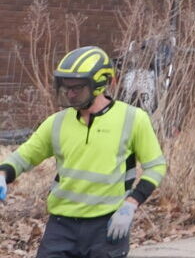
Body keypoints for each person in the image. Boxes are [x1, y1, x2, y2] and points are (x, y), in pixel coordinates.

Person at [1, 47, 167, 258]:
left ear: (99, 85)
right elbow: (25, 155)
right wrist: (3, 174)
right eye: (65, 87)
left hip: (107, 224)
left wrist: (131, 204)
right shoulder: (57, 122)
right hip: (61, 225)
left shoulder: (133, 119)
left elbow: (156, 166)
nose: (70, 93)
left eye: (77, 88)